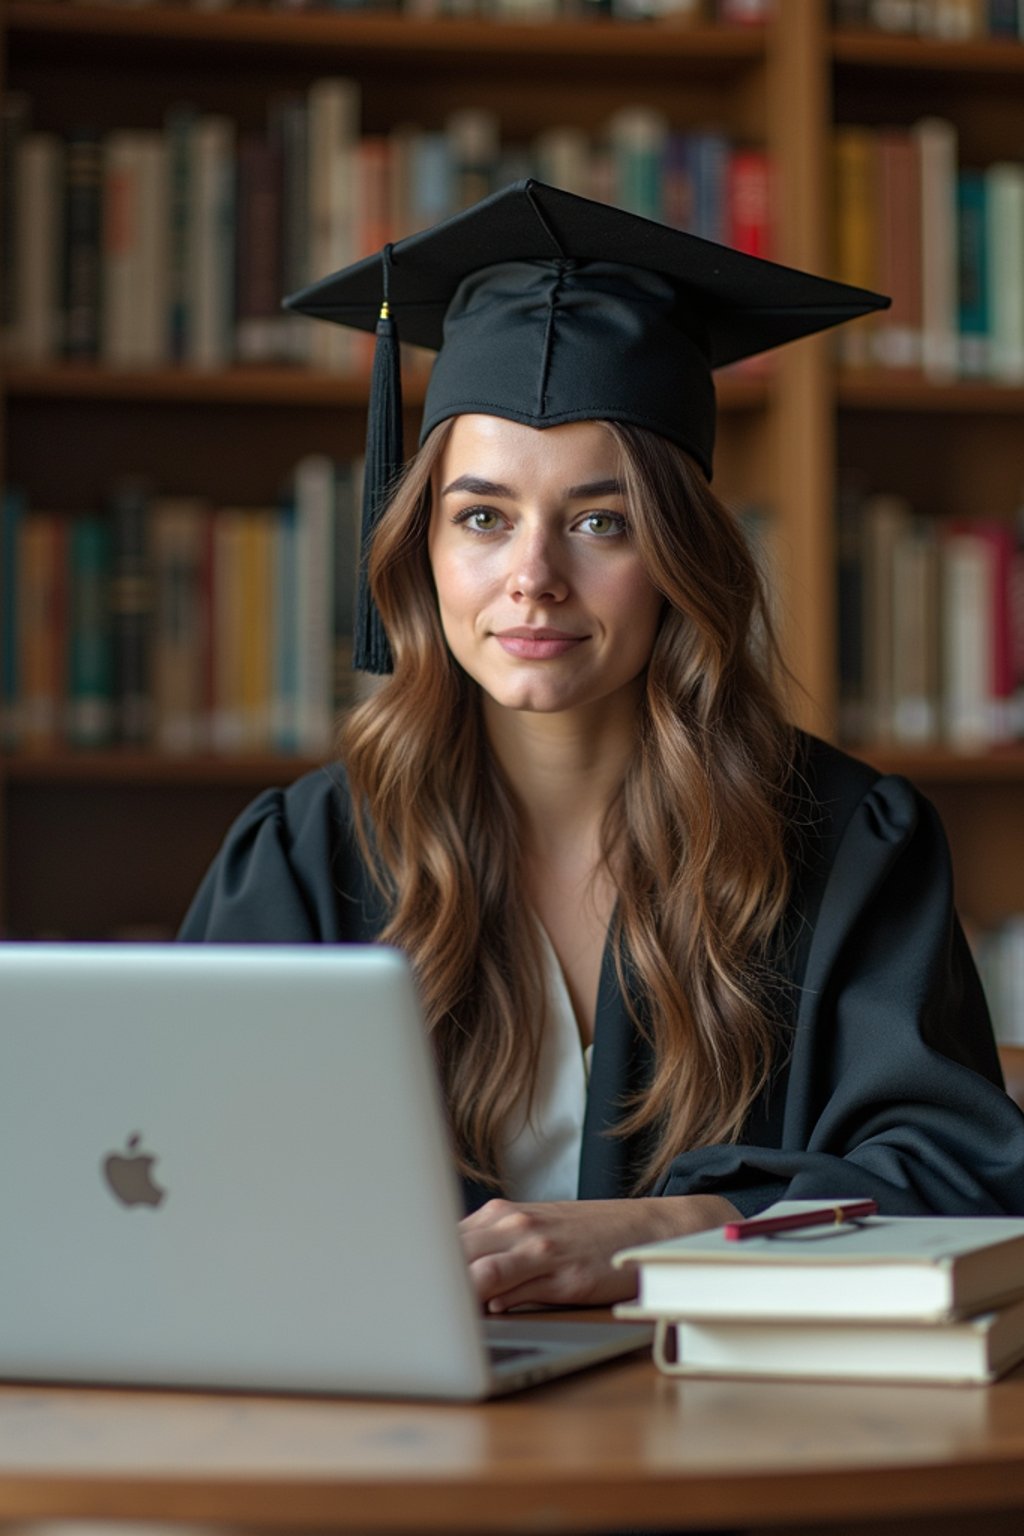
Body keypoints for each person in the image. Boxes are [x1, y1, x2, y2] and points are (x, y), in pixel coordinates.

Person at [179, 181, 1024, 1314]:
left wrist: (672, 1230)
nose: (533, 577)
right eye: (481, 516)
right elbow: (180, 1178)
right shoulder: (307, 854)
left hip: (730, 1430)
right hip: (392, 1427)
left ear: (680, 554)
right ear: (419, 549)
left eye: (599, 520)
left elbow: (960, 1178)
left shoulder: (843, 845)